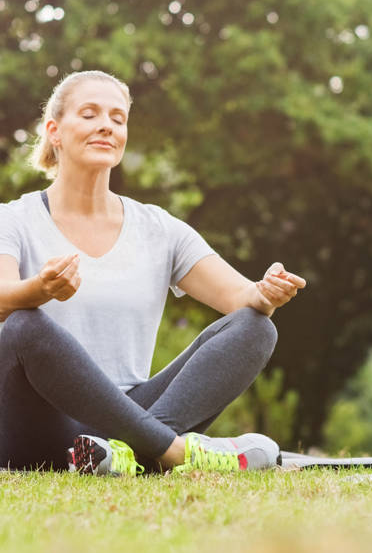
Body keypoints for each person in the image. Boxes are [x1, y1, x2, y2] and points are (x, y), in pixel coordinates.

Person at [0, 70, 306, 475]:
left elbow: (242, 299)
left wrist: (266, 292)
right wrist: (39, 289)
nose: (106, 126)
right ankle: (171, 452)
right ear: (54, 131)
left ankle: (130, 454)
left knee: (256, 328)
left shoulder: (158, 228)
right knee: (24, 325)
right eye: (90, 114)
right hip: (36, 428)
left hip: (126, 419)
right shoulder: (14, 219)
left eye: (117, 118)